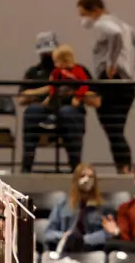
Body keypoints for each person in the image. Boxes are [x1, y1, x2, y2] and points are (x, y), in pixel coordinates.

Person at [76, 0, 135, 170]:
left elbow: (115, 35)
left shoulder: (103, 24)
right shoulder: (124, 24)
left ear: (95, 10)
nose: (83, 19)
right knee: (116, 130)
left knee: (113, 129)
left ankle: (124, 168)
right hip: (127, 83)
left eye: (84, 14)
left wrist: (111, 63)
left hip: (111, 82)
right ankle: (123, 167)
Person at [20, 43, 93, 172]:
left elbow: (93, 96)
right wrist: (47, 92)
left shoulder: (79, 70)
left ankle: (75, 166)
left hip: (71, 108)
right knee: (32, 111)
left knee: (67, 113)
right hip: (50, 105)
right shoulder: (39, 71)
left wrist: (76, 95)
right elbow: (22, 98)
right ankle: (26, 166)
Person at [44, 163, 111, 252]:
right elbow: (48, 233)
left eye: (90, 177)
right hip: (65, 248)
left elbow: (107, 233)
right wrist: (65, 237)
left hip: (90, 249)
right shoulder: (62, 204)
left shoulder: (102, 207)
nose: (86, 180)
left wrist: (84, 240)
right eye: (82, 176)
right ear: (76, 179)